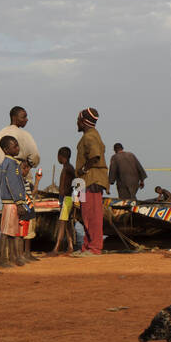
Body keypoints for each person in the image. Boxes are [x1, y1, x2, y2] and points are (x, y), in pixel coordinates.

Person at [73, 108, 108, 256]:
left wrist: (83, 169)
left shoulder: (90, 137)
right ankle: (87, 247)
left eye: (78, 120)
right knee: (85, 214)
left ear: (82, 121)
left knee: (92, 215)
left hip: (91, 180)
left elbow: (95, 157)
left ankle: (94, 247)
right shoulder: (89, 135)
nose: (76, 123)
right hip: (82, 182)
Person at [0, 106, 40, 192]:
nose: (27, 119)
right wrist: (27, 166)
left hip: (6, 176)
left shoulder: (1, 133)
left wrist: (2, 165)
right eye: (24, 117)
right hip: (24, 176)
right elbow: (35, 156)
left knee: (8, 201)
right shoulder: (25, 135)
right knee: (25, 201)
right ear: (14, 118)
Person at [0, 136, 29, 267]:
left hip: (10, 201)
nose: (17, 148)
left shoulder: (7, 163)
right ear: (6, 149)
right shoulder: (11, 164)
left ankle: (10, 258)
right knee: (6, 232)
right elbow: (13, 184)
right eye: (14, 146)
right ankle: (3, 260)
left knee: (10, 231)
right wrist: (20, 202)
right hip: (11, 202)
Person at [52, 146, 78, 255]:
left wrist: (71, 193)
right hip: (65, 197)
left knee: (62, 222)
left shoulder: (68, 167)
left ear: (60, 156)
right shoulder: (67, 167)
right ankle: (71, 246)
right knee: (66, 223)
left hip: (67, 198)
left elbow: (76, 180)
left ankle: (56, 248)